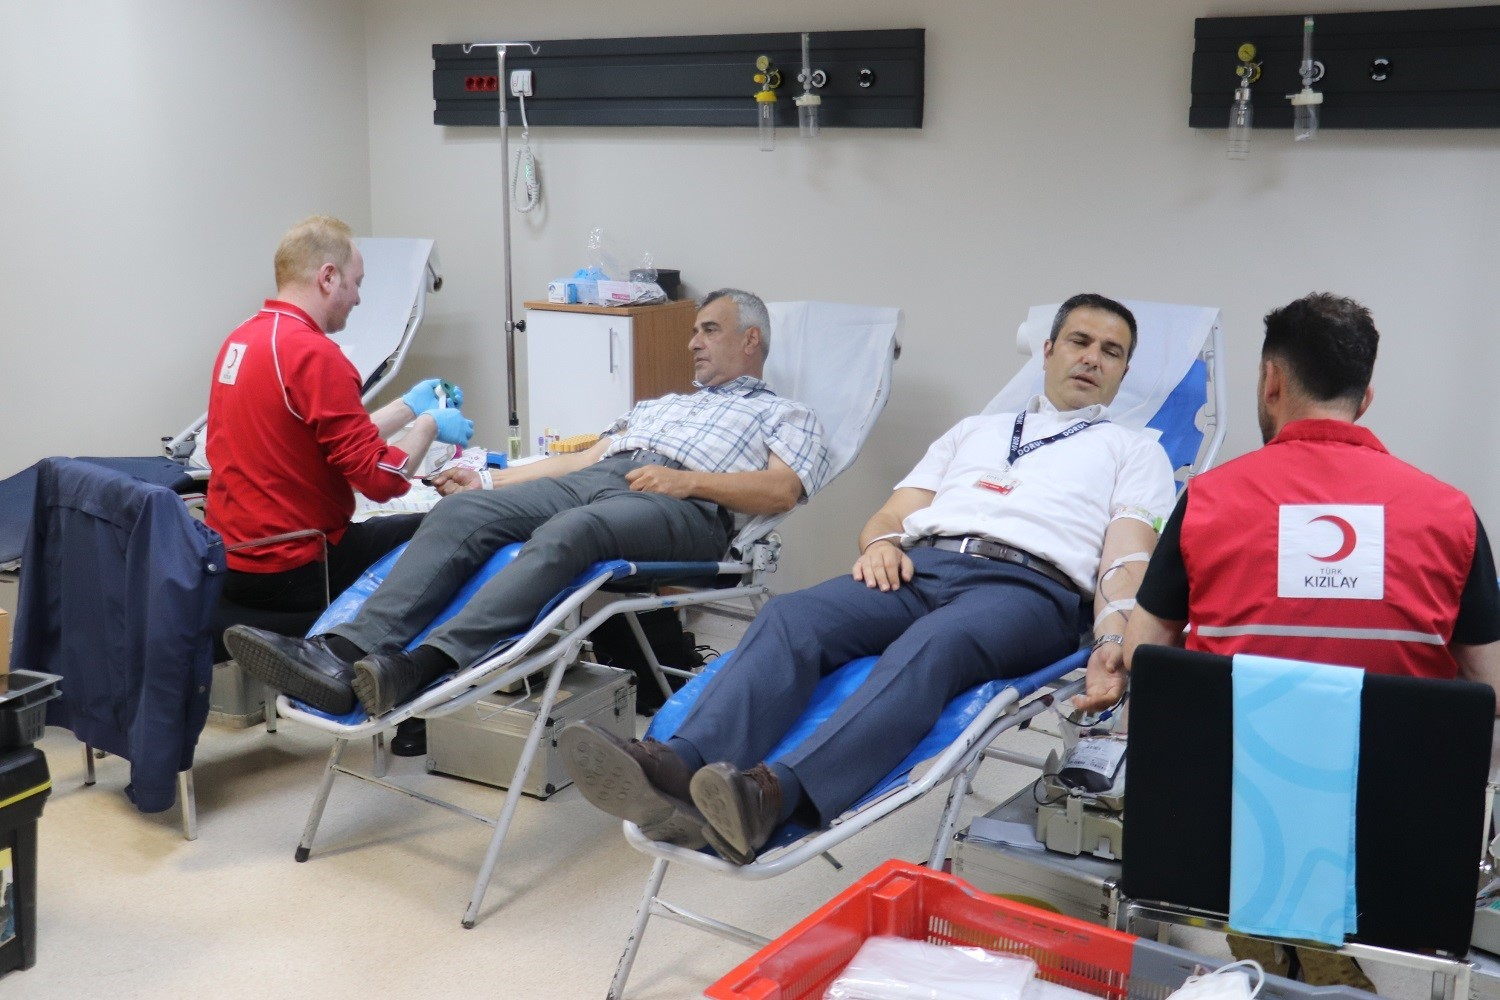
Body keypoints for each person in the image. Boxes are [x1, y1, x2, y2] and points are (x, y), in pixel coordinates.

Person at [560, 293, 1178, 864]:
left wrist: (1110, 640)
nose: (1092, 358)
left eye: (1111, 351)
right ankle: (674, 765)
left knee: (934, 646)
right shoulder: (976, 430)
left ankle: (771, 797)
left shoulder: (1135, 450)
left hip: (1028, 589)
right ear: (1047, 351)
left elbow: (1127, 559)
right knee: (792, 615)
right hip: (922, 563)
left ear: (1123, 372)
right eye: (1079, 341)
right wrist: (880, 543)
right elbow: (891, 515)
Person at [1077, 292, 1500, 990]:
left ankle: (1269, 942)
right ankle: (1321, 948)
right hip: (1394, 853)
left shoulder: (1207, 499)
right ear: (1365, 397)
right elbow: (1489, 691)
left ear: (1271, 381)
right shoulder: (1453, 514)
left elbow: (1145, 658)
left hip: (1222, 843)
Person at [223, 288, 831, 722]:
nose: (694, 341)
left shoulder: (786, 414)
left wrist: (689, 483)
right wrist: (488, 482)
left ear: (751, 339)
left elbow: (781, 490)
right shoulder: (664, 404)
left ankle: (424, 665)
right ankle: (339, 654)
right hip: (610, 476)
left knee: (574, 531)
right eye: (694, 330)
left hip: (688, 509)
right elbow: (581, 459)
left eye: (710, 330)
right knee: (460, 515)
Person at [207, 215, 474, 616]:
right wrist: (429, 424)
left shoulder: (243, 338)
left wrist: (408, 406)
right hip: (296, 567)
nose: (358, 298)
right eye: (357, 283)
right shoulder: (314, 355)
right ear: (328, 277)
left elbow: (316, 439)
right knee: (458, 524)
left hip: (234, 560)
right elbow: (382, 479)